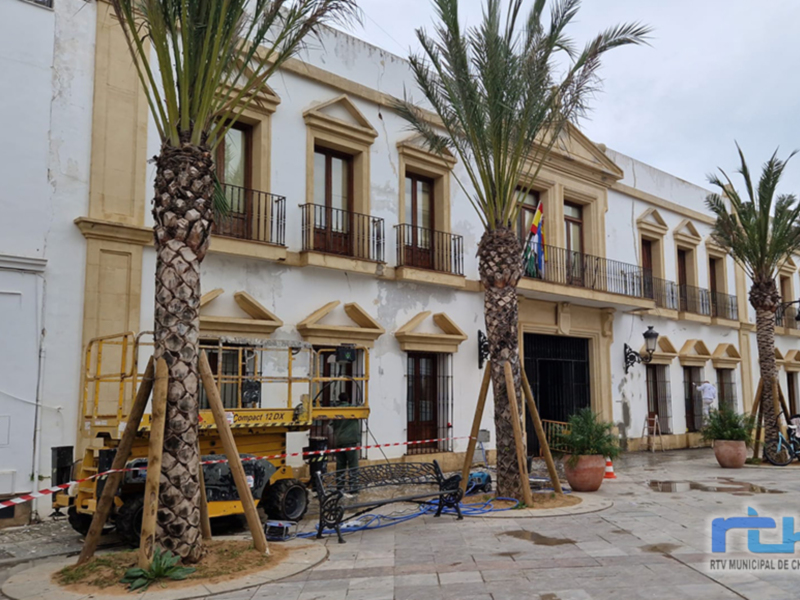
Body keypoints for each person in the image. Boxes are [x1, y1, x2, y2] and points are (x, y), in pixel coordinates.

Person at [330, 392, 360, 493]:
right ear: (348, 399)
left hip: (339, 441)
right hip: (351, 441)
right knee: (353, 466)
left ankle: (340, 488)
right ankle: (353, 488)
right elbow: (362, 411)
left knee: (340, 466)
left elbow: (331, 424)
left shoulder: (335, 410)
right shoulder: (352, 408)